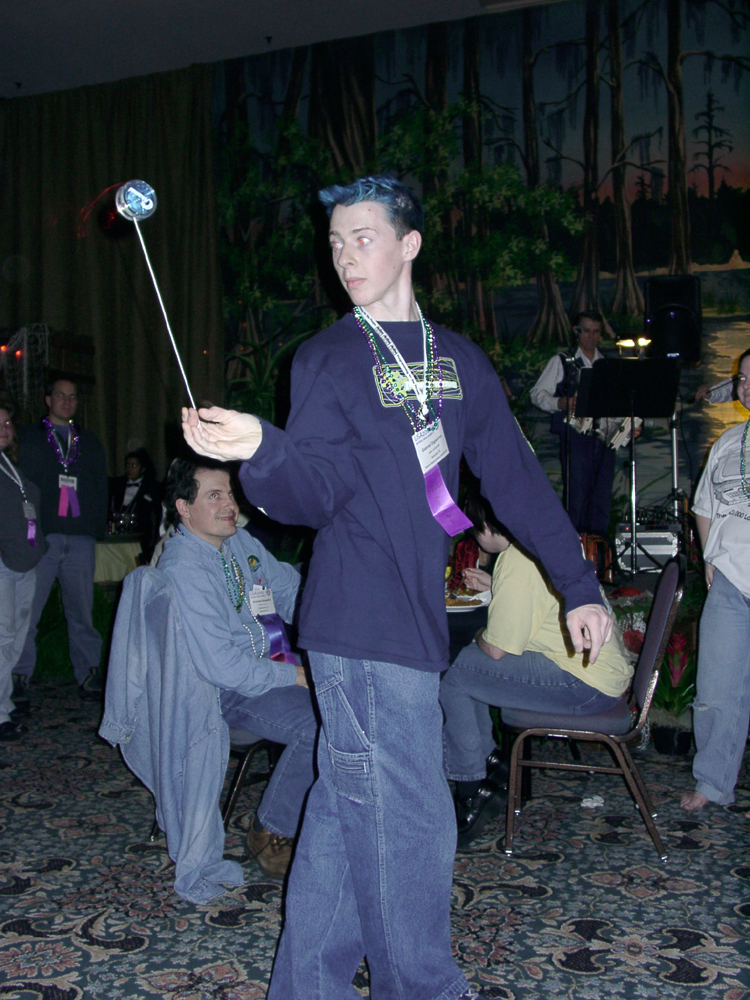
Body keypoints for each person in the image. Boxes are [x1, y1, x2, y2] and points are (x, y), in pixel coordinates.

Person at [182, 175, 613, 1000]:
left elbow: (515, 478)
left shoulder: (459, 361)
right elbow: (312, 493)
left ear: (409, 244)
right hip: (357, 624)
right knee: (412, 821)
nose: (345, 256)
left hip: (413, 620)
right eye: (335, 242)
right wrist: (263, 448)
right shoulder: (325, 358)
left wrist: (578, 582)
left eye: (364, 238)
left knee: (348, 817)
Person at [440, 498, 632, 848]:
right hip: (600, 671)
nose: (474, 537)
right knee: (467, 668)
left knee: (453, 668)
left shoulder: (516, 559)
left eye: (475, 529)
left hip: (583, 684)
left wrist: (478, 633)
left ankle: (472, 787)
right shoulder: (544, 541)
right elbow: (542, 596)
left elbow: (496, 649)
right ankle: (490, 762)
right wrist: (497, 587)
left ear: (489, 525)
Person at [157, 459, 317, 877]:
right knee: (321, 724)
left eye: (230, 494)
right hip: (219, 691)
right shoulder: (184, 568)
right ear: (183, 508)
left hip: (267, 668)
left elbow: (289, 591)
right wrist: (296, 675)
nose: (230, 505)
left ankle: (335, 815)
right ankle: (271, 831)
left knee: (351, 695)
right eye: (215, 496)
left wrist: (335, 624)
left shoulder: (239, 542)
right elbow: (223, 668)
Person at [681, 348, 750, 812]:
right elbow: (704, 506)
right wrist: (709, 557)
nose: (746, 386)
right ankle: (713, 783)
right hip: (729, 582)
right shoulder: (729, 440)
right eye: (742, 378)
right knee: (716, 690)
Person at [14, 379, 108, 702]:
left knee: (82, 613)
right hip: (43, 537)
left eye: (72, 396)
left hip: (80, 538)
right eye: (60, 395)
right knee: (28, 611)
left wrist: (94, 528)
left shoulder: (88, 441)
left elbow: (100, 486)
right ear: (47, 399)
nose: (67, 401)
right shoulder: (28, 438)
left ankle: (89, 672)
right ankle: (18, 675)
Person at [530, 311, 620, 534]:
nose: (591, 337)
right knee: (577, 495)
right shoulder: (562, 361)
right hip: (575, 436)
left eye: (596, 332)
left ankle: (599, 546)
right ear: (576, 332)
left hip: (605, 436)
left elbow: (616, 403)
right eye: (587, 331)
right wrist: (559, 402)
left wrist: (627, 427)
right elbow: (537, 394)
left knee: (602, 495)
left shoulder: (607, 364)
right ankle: (576, 546)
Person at [0, 399, 48, 738]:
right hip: (4, 566)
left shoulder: (9, 464)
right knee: (2, 638)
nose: (4, 429)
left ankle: (3, 703)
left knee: (15, 640)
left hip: (25, 564)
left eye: (7, 423)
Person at [109, 448, 162, 560]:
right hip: (116, 535)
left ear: (142, 468)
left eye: (133, 465)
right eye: (127, 465)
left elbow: (157, 514)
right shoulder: (116, 484)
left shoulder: (152, 487)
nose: (129, 469)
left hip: (140, 538)